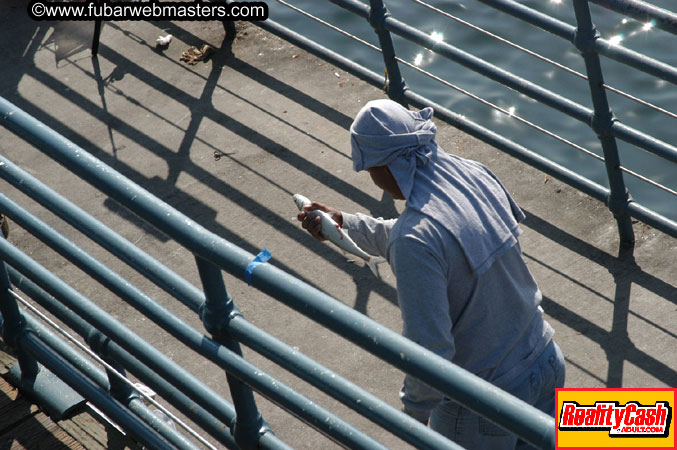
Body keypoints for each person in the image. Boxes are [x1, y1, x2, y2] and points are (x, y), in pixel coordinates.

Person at [297, 99, 565, 449]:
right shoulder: (474, 174)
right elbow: (434, 236)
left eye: (370, 168)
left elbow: (431, 347)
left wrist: (412, 413)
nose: (371, 177)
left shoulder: (414, 239)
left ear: (384, 166)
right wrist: (345, 223)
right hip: (544, 360)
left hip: (482, 400)